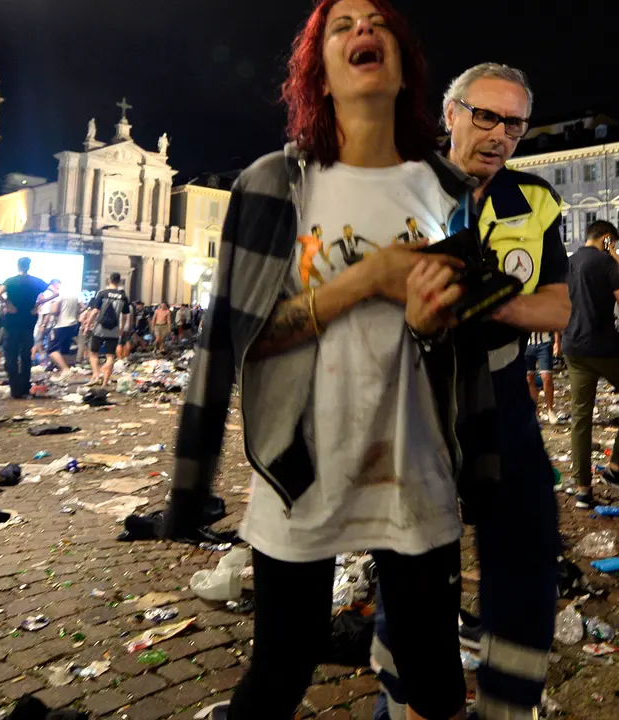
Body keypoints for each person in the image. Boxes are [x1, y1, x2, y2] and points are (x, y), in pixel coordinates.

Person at [174, 2, 481, 718]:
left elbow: (456, 348)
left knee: (435, 677)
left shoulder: (446, 191)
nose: (362, 31)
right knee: (279, 671)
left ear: (403, 68)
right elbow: (239, 341)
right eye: (341, 25)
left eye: (377, 23)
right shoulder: (275, 183)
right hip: (300, 469)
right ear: (319, 70)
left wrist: (433, 325)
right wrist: (364, 282)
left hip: (417, 468)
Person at [377, 61, 571, 720]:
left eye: (513, 122)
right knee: (411, 559)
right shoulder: (394, 186)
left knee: (525, 550)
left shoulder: (536, 199)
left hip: (501, 387)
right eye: (484, 115)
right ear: (451, 114)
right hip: (414, 388)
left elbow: (557, 309)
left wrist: (487, 305)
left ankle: (508, 706)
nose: (498, 134)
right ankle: (403, 701)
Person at [564, 220, 619, 508]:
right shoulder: (606, 261)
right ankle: (616, 468)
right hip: (604, 346)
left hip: (573, 346)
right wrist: (617, 264)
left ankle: (582, 489)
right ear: (607, 240)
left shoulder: (569, 262)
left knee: (581, 417)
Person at [0, 258, 48, 398]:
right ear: (29, 266)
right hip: (28, 319)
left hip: (12, 319)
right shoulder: (36, 281)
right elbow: (55, 292)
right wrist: (38, 305)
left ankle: (15, 389)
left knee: (11, 354)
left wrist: (7, 303)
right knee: (26, 354)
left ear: (17, 266)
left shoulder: (10, 281)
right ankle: (25, 386)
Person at [86, 273, 131, 387]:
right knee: (110, 356)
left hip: (100, 328)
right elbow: (125, 315)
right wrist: (121, 329)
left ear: (109, 280)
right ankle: (105, 382)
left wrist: (88, 325)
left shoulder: (102, 293)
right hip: (114, 329)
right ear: (119, 281)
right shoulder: (123, 296)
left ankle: (96, 375)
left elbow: (95, 311)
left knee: (93, 353)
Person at [46, 282, 81, 379]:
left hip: (61, 324)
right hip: (73, 324)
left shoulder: (59, 295)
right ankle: (66, 370)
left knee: (51, 349)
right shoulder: (74, 296)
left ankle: (65, 369)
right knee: (64, 348)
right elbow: (81, 307)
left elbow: (54, 311)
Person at [526, 331, 560, 424]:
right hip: (527, 344)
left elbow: (554, 323)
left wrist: (557, 342)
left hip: (544, 343)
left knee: (547, 378)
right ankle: (535, 411)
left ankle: (550, 410)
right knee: (529, 378)